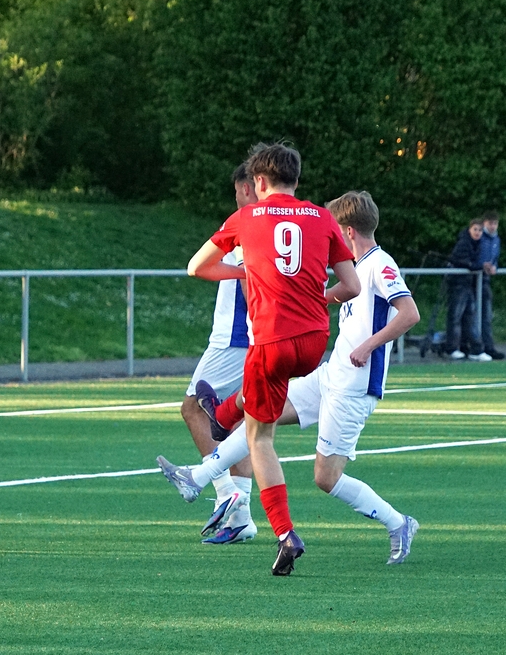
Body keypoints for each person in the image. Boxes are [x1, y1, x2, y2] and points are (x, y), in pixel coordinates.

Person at [162, 191, 421, 566]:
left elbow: (409, 313)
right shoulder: (356, 266)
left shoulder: (380, 265)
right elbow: (346, 293)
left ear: (347, 232)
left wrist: (369, 346)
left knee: (326, 478)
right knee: (260, 420)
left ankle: (399, 523)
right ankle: (198, 476)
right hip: (330, 375)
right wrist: (325, 298)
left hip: (354, 386)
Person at [181, 142, 360, 576]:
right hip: (314, 341)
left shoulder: (245, 217)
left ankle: (284, 533)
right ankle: (224, 414)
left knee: (260, 439)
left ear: (258, 182)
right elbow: (351, 286)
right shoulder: (321, 216)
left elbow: (196, 267)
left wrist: (244, 270)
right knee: (259, 400)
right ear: (296, 180)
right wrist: (322, 297)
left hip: (272, 342)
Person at [162, 163, 257, 545]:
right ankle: (241, 519)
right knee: (235, 424)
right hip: (252, 337)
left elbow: (214, 268)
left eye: (237, 192)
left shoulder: (247, 221)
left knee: (192, 408)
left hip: (235, 337)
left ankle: (221, 492)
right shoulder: (285, 219)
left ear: (251, 188)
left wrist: (241, 277)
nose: (235, 199)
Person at [444, 219, 487, 361]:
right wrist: (479, 266)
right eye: (475, 229)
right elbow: (461, 261)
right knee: (455, 316)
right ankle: (452, 348)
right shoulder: (463, 243)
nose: (477, 233)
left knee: (471, 317)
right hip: (458, 284)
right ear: (470, 229)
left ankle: (475, 350)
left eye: (480, 230)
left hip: (468, 284)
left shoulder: (478, 244)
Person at [478, 211, 503, 359]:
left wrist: (494, 267)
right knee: (471, 315)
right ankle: (476, 347)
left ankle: (488, 347)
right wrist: (481, 265)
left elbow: (495, 259)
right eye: (490, 223)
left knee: (486, 315)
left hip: (485, 281)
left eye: (495, 223)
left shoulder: (496, 240)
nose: (493, 226)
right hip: (472, 279)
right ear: (484, 223)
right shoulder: (479, 237)